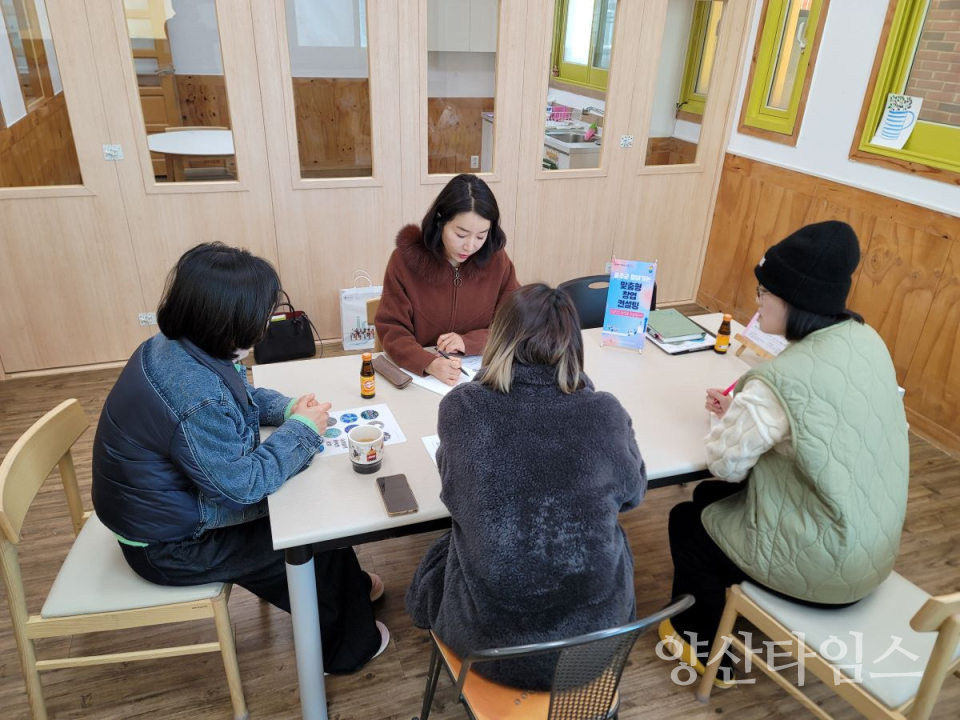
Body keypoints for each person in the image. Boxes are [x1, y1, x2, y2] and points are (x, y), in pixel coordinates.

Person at [92, 243, 388, 673]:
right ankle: (345, 649)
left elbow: (240, 397)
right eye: (262, 318)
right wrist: (301, 431)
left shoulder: (177, 347)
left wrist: (287, 409)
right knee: (309, 535)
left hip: (167, 513)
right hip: (170, 546)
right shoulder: (194, 394)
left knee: (315, 517)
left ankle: (350, 593)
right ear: (225, 322)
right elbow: (242, 487)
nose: (266, 325)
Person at [661, 221, 909, 684]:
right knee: (708, 500)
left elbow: (726, 465)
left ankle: (700, 644)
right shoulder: (865, 342)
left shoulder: (780, 380)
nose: (757, 303)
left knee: (687, 521)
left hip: (828, 566)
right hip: (871, 543)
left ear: (791, 301)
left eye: (763, 294)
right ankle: (736, 596)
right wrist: (749, 416)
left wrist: (728, 419)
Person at [405, 283, 647, 689]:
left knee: (447, 554)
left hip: (489, 651)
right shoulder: (605, 411)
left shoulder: (464, 408)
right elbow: (634, 492)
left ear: (499, 336)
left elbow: (454, 496)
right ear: (574, 344)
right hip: (595, 646)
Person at [375, 173, 519, 385]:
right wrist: (428, 363)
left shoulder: (497, 260)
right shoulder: (405, 261)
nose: (470, 246)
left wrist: (468, 342)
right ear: (440, 222)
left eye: (481, 236)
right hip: (420, 380)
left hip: (479, 378)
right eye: (461, 235)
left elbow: (515, 322)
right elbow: (392, 329)